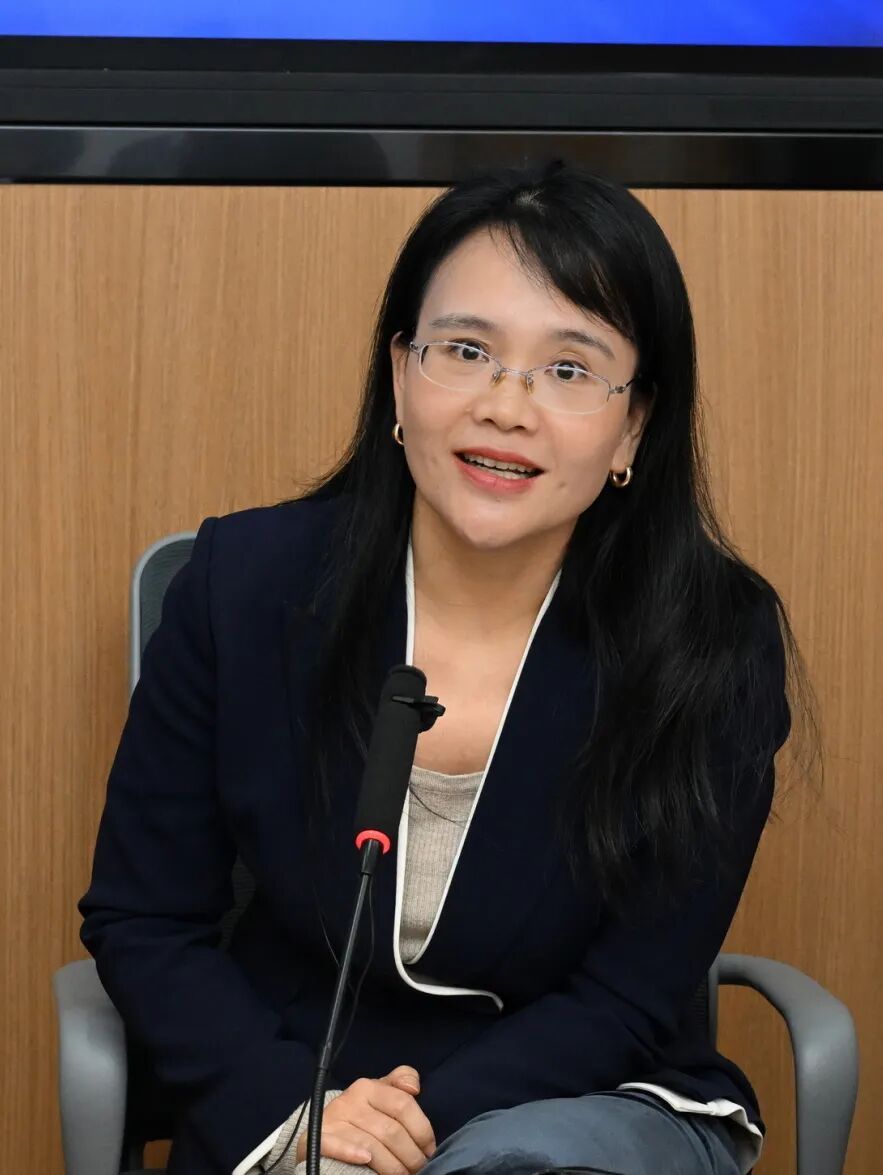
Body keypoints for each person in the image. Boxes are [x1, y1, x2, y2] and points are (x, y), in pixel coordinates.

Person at [80, 160, 814, 1175]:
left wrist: (394, 1138)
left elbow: (625, 996)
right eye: (465, 351)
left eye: (568, 370)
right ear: (399, 375)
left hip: (575, 1103)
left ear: (633, 424)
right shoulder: (244, 584)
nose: (505, 407)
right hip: (292, 1093)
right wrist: (298, 1114)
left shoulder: (711, 641)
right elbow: (144, 917)